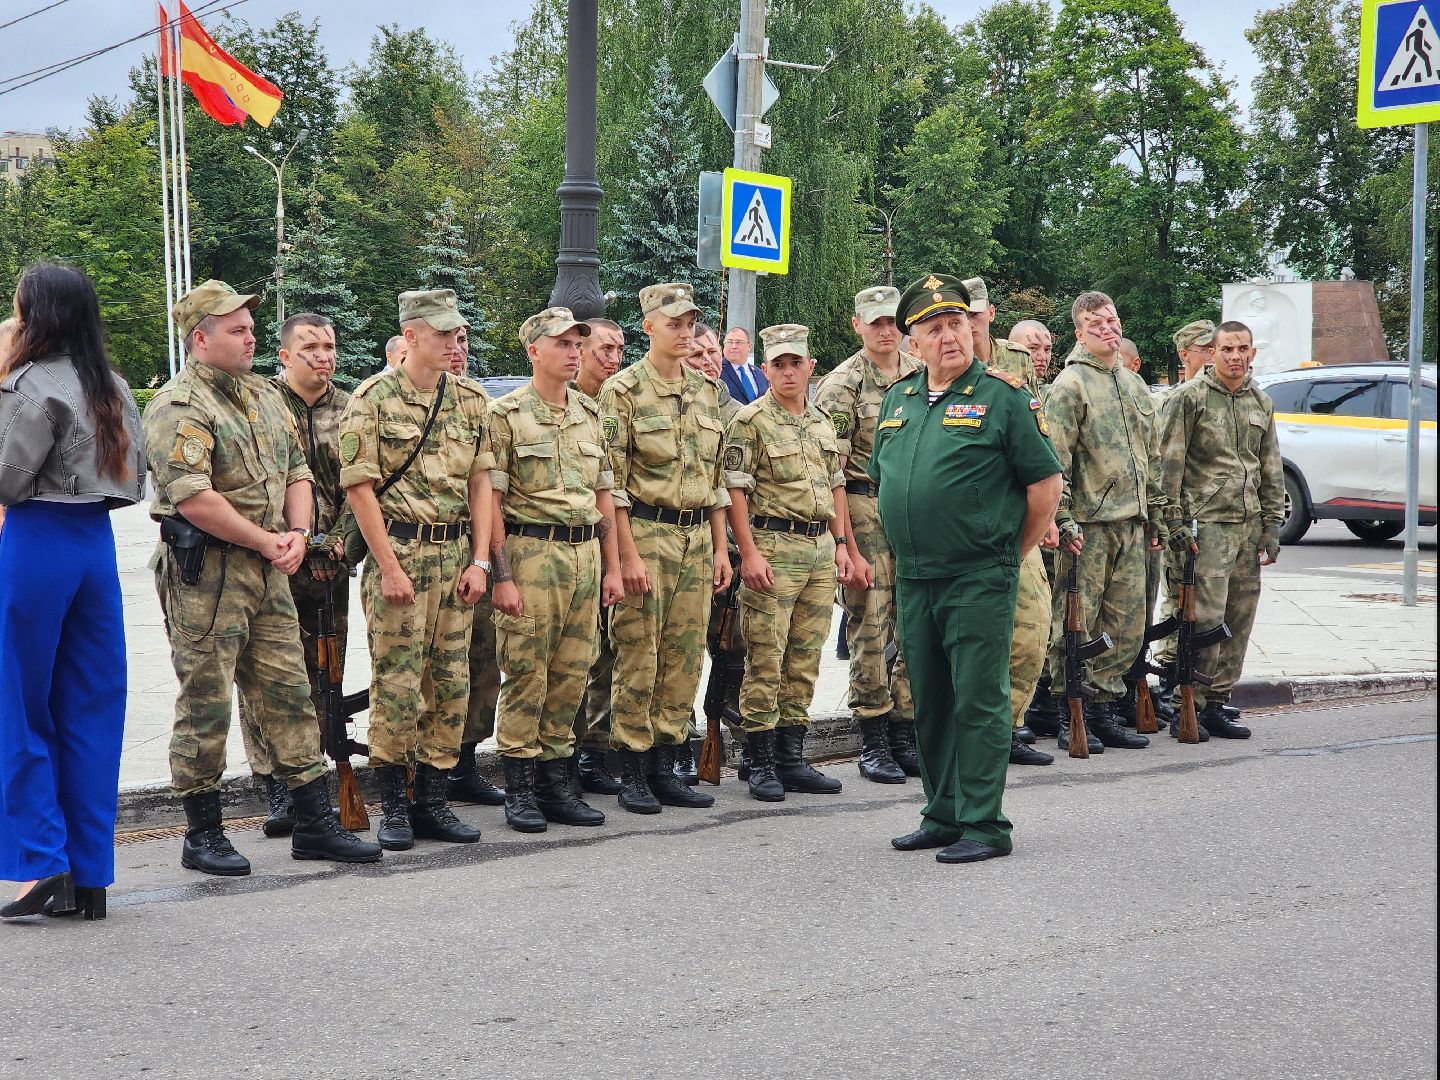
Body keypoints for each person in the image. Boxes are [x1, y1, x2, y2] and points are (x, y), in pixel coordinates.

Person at [143, 280, 381, 876]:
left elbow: (298, 469)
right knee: (206, 702)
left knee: (291, 695)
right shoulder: (181, 405)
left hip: (271, 566)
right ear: (201, 339)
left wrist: (297, 535)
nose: (250, 337)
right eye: (237, 330)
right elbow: (194, 498)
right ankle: (203, 832)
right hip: (208, 574)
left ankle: (313, 823)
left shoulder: (262, 397)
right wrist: (271, 540)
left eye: (251, 329)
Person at [869, 274, 1062, 864]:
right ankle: (942, 812)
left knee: (977, 699)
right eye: (933, 328)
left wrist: (1009, 551)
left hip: (979, 573)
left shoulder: (1003, 398)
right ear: (913, 343)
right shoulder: (898, 399)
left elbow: (1045, 486)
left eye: (956, 323)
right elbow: (885, 477)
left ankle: (984, 824)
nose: (948, 336)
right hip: (916, 574)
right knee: (928, 697)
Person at [0, 263, 146, 921]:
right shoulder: (111, 385)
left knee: (20, 707)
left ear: (40, 316)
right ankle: (91, 875)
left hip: (37, 542)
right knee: (92, 709)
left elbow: (6, 477)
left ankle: (42, 863)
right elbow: (133, 479)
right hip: (94, 547)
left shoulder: (29, 386)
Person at [339, 288, 492, 850]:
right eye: (443, 333)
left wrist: (479, 560)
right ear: (410, 337)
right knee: (399, 685)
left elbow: (481, 482)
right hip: (399, 556)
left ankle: (433, 800)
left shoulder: (470, 400)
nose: (455, 341)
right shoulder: (372, 399)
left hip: (455, 559)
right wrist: (389, 566)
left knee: (451, 683)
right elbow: (360, 489)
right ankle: (393, 806)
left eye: (457, 332)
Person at [485, 308, 624, 831]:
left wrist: (612, 567)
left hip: (584, 555)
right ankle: (519, 787)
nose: (572, 351)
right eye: (561, 343)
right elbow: (490, 503)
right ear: (533, 351)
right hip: (531, 552)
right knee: (527, 671)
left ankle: (555, 781)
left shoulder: (590, 415)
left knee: (573, 672)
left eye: (576, 343)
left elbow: (604, 495)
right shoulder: (506, 416)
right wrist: (501, 575)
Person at [599, 282, 731, 814]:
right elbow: (612, 483)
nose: (683, 333)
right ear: (648, 326)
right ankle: (631, 765)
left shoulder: (704, 392)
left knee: (683, 656)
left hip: (697, 540)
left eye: (688, 323)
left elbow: (717, 480)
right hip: (647, 536)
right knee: (638, 652)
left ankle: (666, 760)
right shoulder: (624, 392)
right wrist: (626, 556)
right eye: (672, 323)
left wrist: (722, 551)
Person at [235, 313, 356, 837]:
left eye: (329, 346)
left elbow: (363, 487)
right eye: (310, 348)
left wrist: (343, 548)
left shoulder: (352, 409)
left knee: (325, 675)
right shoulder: (260, 405)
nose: (323, 356)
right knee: (266, 679)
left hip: (330, 566)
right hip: (272, 560)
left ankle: (316, 777)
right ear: (284, 356)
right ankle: (276, 785)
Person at [724, 324, 855, 801]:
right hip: (774, 548)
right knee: (766, 655)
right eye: (777, 364)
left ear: (809, 367)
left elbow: (837, 484)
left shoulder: (822, 422)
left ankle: (791, 756)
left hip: (820, 548)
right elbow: (735, 489)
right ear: (765, 369)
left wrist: (842, 544)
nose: (787, 371)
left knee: (804, 657)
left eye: (794, 362)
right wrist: (750, 553)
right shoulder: (750, 421)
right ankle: (758, 761)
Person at [1040, 291, 1168, 754]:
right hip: (1088, 527)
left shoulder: (1135, 386)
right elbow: (1057, 461)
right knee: (1076, 622)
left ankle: (1105, 707)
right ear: (1079, 332)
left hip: (1132, 524)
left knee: (1126, 622)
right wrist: (1063, 519)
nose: (1106, 328)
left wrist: (1158, 515)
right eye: (1095, 323)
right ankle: (1068, 708)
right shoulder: (1069, 386)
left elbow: (1151, 460)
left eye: (1111, 320)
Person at [1157, 321, 1283, 738]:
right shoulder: (1189, 398)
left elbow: (1270, 466)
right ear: (1212, 352)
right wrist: (1172, 522)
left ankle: (1217, 701)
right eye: (1226, 348)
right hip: (1205, 527)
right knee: (1203, 620)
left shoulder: (1260, 402)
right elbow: (1168, 463)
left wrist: (1272, 525)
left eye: (1241, 349)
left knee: (1239, 617)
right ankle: (1186, 702)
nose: (1234, 356)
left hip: (1248, 528)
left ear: (1252, 353)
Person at [813, 286, 918, 784]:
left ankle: (907, 729)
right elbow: (830, 471)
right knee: (871, 627)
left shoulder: (921, 374)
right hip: (863, 505)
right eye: (875, 322)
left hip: (915, 509)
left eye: (892, 321)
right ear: (857, 325)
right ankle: (874, 737)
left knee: (915, 623)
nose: (885, 330)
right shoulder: (843, 384)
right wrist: (845, 544)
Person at [436, 325, 509, 808]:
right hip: (421, 551)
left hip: (472, 551)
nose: (459, 350)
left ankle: (464, 763)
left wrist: (489, 562)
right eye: (450, 340)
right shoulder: (386, 399)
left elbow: (491, 487)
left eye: (465, 341)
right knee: (434, 670)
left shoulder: (478, 403)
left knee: (482, 663)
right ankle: (424, 776)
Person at [569, 317, 626, 795]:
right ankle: (572, 756)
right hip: (560, 552)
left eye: (619, 351)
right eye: (604, 350)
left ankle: (596, 751)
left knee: (606, 656)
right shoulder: (569, 406)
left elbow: (612, 488)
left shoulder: (609, 404)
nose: (613, 359)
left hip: (602, 549)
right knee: (579, 659)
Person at [961, 278, 1040, 394]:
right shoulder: (948, 363)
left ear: (991, 313)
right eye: (963, 317)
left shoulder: (1018, 357)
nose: (969, 323)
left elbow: (1035, 408)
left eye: (975, 314)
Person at [720, 326, 769, 405]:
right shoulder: (717, 371)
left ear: (749, 346)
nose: (734, 346)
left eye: (738, 342)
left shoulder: (759, 373)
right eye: (729, 342)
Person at [1009, 320, 1054, 386]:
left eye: (1047, 349)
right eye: (1033, 348)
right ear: (1012, 349)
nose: (1043, 357)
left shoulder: (1050, 393)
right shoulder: (996, 388)